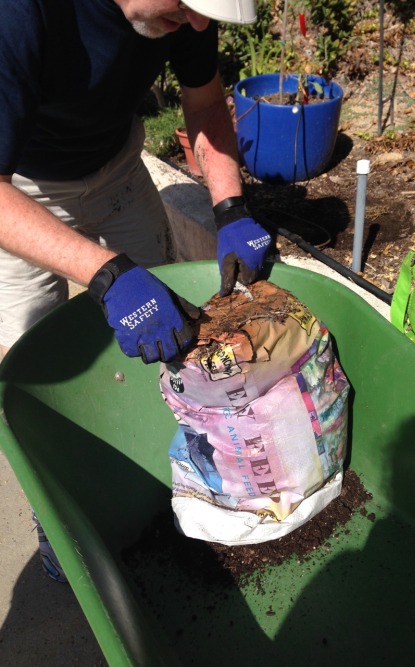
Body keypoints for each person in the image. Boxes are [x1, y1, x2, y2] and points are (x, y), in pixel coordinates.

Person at [0, 0, 271, 580]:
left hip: (117, 167)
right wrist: (106, 274)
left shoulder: (187, 12)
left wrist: (230, 208)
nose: (201, 24)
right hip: (21, 188)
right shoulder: (20, 15)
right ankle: (61, 524)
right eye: (190, 7)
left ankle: (181, 476)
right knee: (31, 378)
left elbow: (202, 102)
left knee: (174, 330)